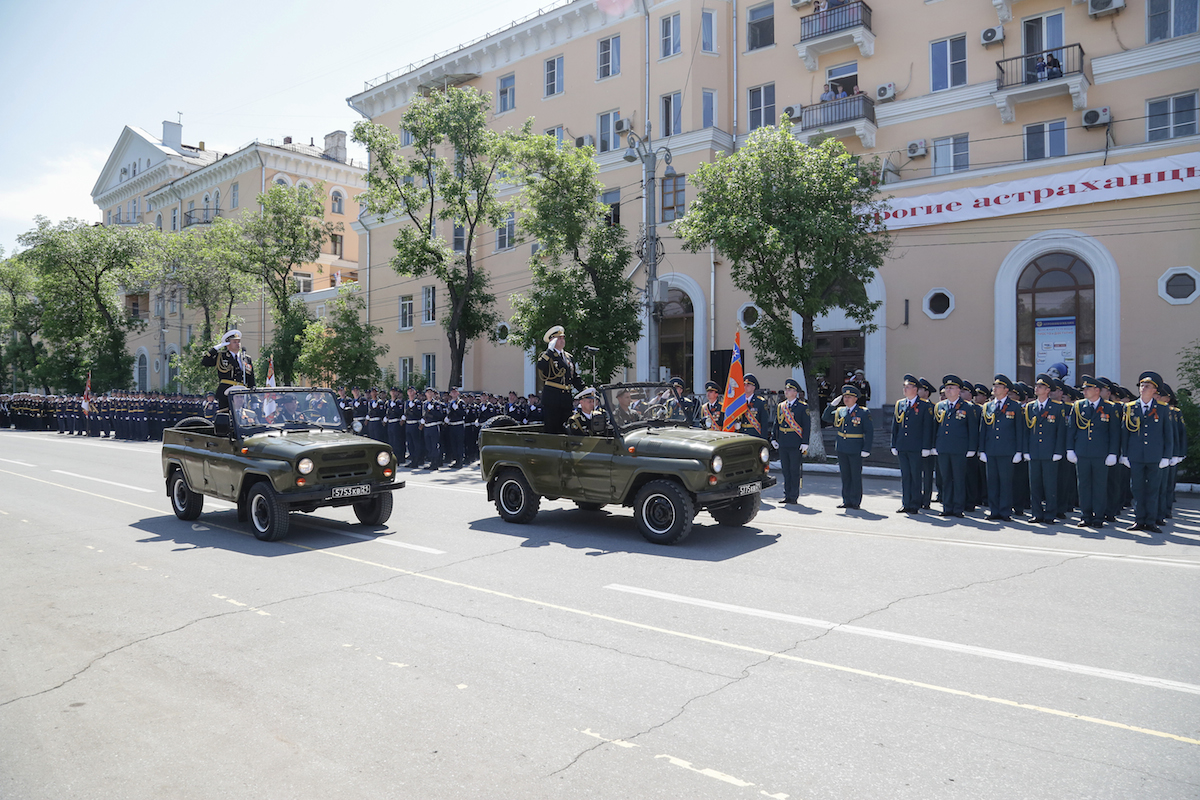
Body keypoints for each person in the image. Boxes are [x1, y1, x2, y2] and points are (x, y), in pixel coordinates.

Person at [1120, 372, 1175, 533]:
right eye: (1142, 386)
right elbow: (1125, 432)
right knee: (1137, 489)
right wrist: (1124, 454)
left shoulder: (1162, 408)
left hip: (1154, 455)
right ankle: (1138, 520)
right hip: (1136, 455)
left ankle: (1151, 521)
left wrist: (1167, 456)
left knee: (1153, 489)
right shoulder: (1130, 407)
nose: (1143, 388)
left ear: (1155, 391)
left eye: (1147, 386)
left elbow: (1168, 434)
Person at [1066, 375, 1120, 529]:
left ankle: (1099, 516)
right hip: (1082, 452)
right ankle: (1085, 515)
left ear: (1097, 390)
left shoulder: (1110, 407)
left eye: (1088, 388)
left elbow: (1114, 433)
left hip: (1101, 453)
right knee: (1083, 485)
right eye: (1084, 389)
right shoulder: (1078, 406)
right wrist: (1070, 449)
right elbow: (1071, 430)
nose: (1084, 391)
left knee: (1099, 486)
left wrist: (1113, 453)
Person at [980, 375, 1025, 521]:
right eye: (994, 385)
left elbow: (1019, 430)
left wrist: (1019, 451)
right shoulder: (988, 406)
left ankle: (1005, 511)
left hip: (1007, 450)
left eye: (998, 386)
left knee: (1005, 482)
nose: (994, 388)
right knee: (992, 482)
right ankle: (994, 510)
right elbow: (983, 430)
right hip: (991, 449)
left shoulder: (1015, 406)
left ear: (1006, 389)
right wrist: (982, 450)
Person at [931, 375, 977, 519]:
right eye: (947, 388)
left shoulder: (967, 407)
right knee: (946, 478)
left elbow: (972, 429)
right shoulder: (940, 406)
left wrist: (971, 448)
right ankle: (947, 506)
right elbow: (935, 427)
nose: (948, 390)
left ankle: (958, 508)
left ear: (959, 390)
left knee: (958, 479)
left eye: (952, 388)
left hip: (959, 448)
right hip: (943, 447)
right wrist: (933, 445)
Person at [1023, 373, 1067, 524]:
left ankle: (1050, 514)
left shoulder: (1056, 407)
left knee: (1050, 485)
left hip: (1049, 452)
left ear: (1048, 390)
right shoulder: (1030, 407)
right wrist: (1026, 450)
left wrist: (1058, 451)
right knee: (1034, 484)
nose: (1037, 388)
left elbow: (1061, 431)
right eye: (1036, 386)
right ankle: (1036, 513)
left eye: (1040, 386)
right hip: (1034, 451)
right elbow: (1026, 431)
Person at [822, 384, 872, 509]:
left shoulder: (863, 412)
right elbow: (825, 417)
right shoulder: (840, 411)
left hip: (856, 448)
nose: (846, 399)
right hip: (842, 447)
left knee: (855, 475)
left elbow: (869, 432)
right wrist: (832, 405)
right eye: (845, 397)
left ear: (855, 398)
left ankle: (855, 501)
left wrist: (866, 449)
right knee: (845, 476)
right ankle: (846, 500)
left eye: (849, 397)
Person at [891, 374, 934, 514]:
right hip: (902, 445)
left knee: (916, 476)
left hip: (916, 447)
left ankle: (915, 504)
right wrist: (894, 444)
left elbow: (928, 428)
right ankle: (906, 503)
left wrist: (926, 447)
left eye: (908, 387)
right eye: (904, 386)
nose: (905, 389)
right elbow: (895, 426)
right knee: (905, 476)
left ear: (915, 389)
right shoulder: (900, 404)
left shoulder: (924, 405)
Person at [537, 325, 584, 434]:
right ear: (552, 341)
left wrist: (584, 389)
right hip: (552, 398)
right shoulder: (547, 355)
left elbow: (574, 377)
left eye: (563, 338)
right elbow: (540, 366)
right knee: (552, 429)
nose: (562, 340)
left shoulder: (568, 357)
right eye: (559, 338)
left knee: (566, 428)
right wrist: (549, 351)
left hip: (566, 398)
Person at [772, 378, 811, 505]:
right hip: (783, 442)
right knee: (786, 470)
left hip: (796, 443)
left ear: (795, 392)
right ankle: (787, 494)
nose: (787, 392)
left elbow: (806, 426)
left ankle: (793, 496)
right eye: (786, 390)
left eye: (789, 390)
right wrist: (774, 438)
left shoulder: (802, 407)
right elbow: (776, 423)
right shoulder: (781, 406)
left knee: (794, 470)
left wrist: (805, 442)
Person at [201, 329, 255, 410]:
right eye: (234, 342)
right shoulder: (221, 356)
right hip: (226, 392)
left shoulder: (246, 358)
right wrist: (215, 349)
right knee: (226, 416)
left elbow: (251, 379)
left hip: (242, 394)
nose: (238, 344)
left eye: (238, 341)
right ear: (227, 344)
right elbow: (205, 362)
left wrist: (253, 394)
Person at [733, 374, 769, 439]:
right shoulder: (739, 402)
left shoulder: (760, 402)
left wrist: (763, 439)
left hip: (755, 435)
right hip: (742, 435)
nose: (745, 387)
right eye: (744, 385)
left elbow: (764, 423)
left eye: (748, 385)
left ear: (753, 387)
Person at [421, 386, 446, 470]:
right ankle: (431, 462)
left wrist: (432, 410)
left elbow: (439, 415)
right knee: (428, 446)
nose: (429, 394)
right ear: (425, 394)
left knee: (434, 446)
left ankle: (435, 463)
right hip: (427, 427)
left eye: (431, 392)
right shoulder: (424, 403)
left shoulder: (436, 404)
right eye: (428, 392)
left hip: (434, 426)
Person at [445, 387, 468, 468]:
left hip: (459, 425)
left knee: (459, 444)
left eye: (455, 392)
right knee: (453, 444)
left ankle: (460, 461)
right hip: (452, 425)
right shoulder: (450, 403)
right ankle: (456, 460)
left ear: (458, 393)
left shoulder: (461, 402)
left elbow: (464, 414)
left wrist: (457, 409)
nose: (454, 393)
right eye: (452, 392)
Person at [403, 386, 424, 467]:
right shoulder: (407, 402)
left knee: (416, 444)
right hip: (408, 424)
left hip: (415, 424)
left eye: (412, 391)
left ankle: (417, 460)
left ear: (415, 392)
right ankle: (412, 460)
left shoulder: (418, 402)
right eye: (409, 391)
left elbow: (419, 414)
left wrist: (413, 409)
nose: (410, 392)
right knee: (410, 444)